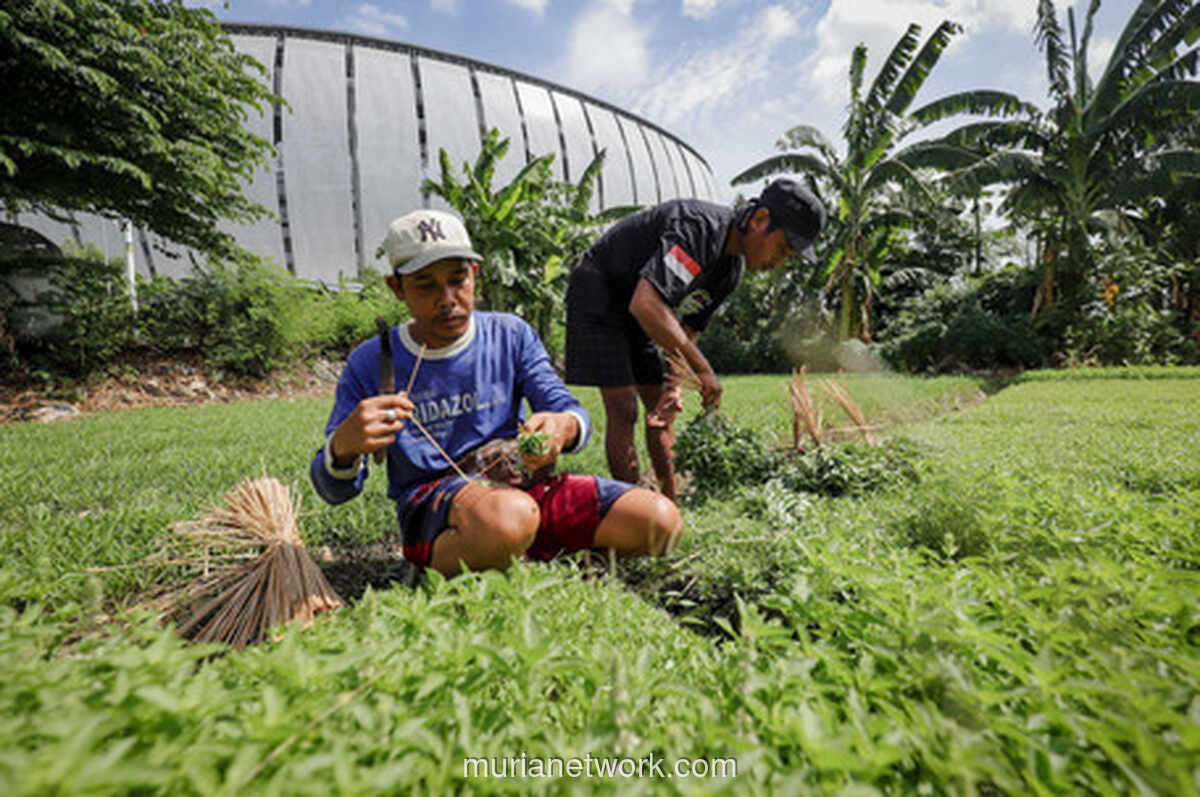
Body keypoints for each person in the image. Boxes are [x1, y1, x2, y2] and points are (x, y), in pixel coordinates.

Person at [310, 209, 682, 577]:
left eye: (458, 280)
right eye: (426, 285)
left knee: (659, 523)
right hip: (438, 508)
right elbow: (334, 490)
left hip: (522, 491)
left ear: (475, 276)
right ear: (397, 288)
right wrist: (344, 448)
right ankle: (472, 551)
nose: (447, 298)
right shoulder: (374, 361)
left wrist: (561, 426)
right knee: (507, 518)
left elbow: (568, 410)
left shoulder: (510, 335)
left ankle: (511, 551)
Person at [564, 177, 827, 499]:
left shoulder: (729, 272)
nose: (780, 261)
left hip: (643, 306)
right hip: (600, 287)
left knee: (661, 407)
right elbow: (646, 303)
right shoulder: (699, 228)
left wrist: (675, 386)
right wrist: (702, 370)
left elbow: (687, 329)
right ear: (760, 220)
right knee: (624, 407)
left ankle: (670, 498)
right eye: (784, 248)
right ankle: (631, 505)